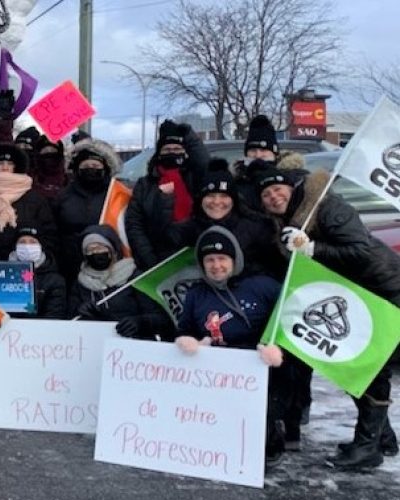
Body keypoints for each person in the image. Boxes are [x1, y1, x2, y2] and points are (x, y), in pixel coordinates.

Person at [256, 166, 400, 469]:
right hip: (354, 297)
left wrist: (312, 248)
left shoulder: (327, 208)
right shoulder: (286, 222)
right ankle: (381, 439)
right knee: (357, 367)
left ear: (292, 189)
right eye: (266, 194)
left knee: (371, 369)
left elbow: (360, 250)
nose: (273, 197)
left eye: (278, 189)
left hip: (384, 291)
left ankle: (368, 447)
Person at [174, 226, 286, 463]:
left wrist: (277, 348)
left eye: (222, 258)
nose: (216, 265)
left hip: (258, 368)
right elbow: (185, 329)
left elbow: (288, 319)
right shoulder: (196, 294)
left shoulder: (262, 286)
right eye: (210, 260)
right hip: (215, 372)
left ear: (234, 260)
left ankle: (271, 436)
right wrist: (189, 342)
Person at [165, 158, 281, 278]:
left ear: (233, 200)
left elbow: (275, 268)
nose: (216, 202)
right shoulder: (186, 230)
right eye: (210, 196)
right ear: (200, 200)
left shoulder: (257, 228)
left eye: (224, 196)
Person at [125, 119, 209, 270]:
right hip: (158, 257)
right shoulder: (145, 185)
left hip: (195, 253)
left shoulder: (195, 177)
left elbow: (204, 163)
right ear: (159, 153)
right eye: (167, 149)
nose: (172, 153)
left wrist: (190, 136)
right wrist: (150, 260)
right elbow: (135, 225)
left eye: (177, 149)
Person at [67, 225, 172, 340]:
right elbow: (69, 322)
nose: (96, 253)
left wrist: (140, 322)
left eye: (101, 248)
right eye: (90, 250)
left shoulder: (135, 277)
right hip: (96, 341)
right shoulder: (80, 283)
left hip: (134, 342)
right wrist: (81, 312)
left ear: (112, 250)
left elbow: (161, 319)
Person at [0, 143, 57, 261]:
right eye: (1, 163)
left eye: (10, 164)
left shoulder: (34, 198)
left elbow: (48, 230)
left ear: (16, 167)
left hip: (21, 260)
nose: (5, 167)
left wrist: (36, 254)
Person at [53, 136, 123, 282]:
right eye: (86, 165)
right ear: (77, 168)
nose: (91, 168)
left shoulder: (117, 194)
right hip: (70, 265)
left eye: (96, 165)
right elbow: (54, 229)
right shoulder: (63, 195)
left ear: (105, 168)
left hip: (108, 265)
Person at [9, 226, 67, 319]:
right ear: (15, 247)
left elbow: (54, 315)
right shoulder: (4, 276)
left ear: (41, 247)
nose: (27, 246)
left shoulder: (54, 281)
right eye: (22, 242)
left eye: (33, 242)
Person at [234, 115, 281, 214]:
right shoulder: (236, 181)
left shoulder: (291, 177)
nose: (258, 155)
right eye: (253, 150)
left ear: (275, 154)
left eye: (263, 150)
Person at [31, 136, 68, 201]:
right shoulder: (30, 180)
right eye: (45, 151)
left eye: (53, 150)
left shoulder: (69, 180)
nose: (49, 153)